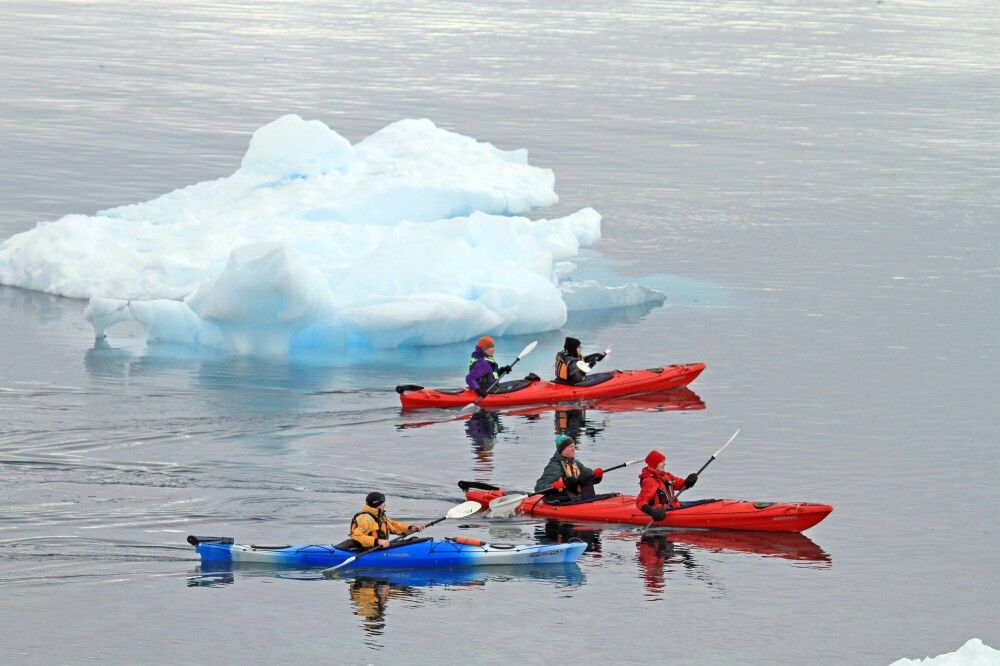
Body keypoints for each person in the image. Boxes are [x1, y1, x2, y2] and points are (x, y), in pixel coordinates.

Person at [534, 434, 604, 502]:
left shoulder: (576, 464)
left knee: (587, 473)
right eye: (571, 446)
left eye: (574, 446)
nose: (574, 449)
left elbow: (587, 480)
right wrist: (553, 486)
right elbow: (538, 487)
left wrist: (596, 476)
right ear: (563, 450)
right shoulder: (555, 466)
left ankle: (589, 502)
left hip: (578, 498)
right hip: (560, 499)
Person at [345, 492, 426, 550]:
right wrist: (378, 542)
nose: (385, 505)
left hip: (379, 548)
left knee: (414, 540)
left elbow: (395, 526)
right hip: (368, 549)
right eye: (383, 503)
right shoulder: (365, 519)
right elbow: (356, 536)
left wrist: (412, 528)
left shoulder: (381, 517)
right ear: (377, 504)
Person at [635, 450, 698, 521]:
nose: (664, 464)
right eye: (661, 462)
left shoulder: (665, 475)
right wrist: (652, 512)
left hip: (675, 505)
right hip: (663, 510)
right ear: (654, 464)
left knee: (710, 501)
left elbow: (679, 484)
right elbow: (640, 502)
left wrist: (689, 481)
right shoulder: (650, 480)